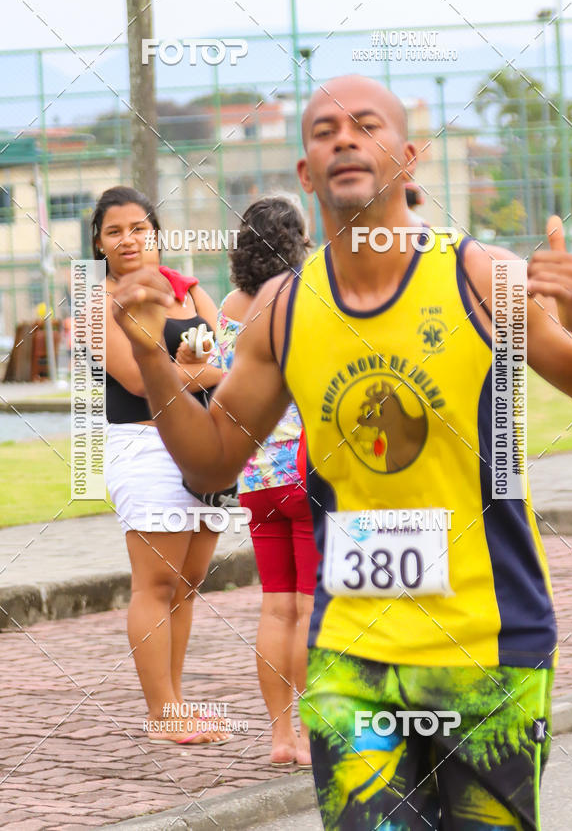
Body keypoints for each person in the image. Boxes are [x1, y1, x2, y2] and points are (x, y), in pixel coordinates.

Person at [109, 77, 572, 828]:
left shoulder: (484, 277)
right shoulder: (285, 308)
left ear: (407, 159)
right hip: (351, 657)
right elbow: (209, 466)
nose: (343, 137)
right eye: (324, 130)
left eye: (365, 126)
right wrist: (150, 357)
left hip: (488, 643)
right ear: (306, 173)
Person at [96, 185, 229, 745]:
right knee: (156, 581)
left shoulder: (191, 289)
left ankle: (175, 703)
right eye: (113, 231)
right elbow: (133, 379)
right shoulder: (94, 297)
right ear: (99, 244)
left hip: (204, 445)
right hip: (143, 448)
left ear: (156, 233)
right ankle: (162, 713)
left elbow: (228, 365)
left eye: (137, 228)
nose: (128, 239)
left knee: (188, 581)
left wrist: (173, 372)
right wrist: (186, 372)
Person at [213, 194, 320, 767]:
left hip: (254, 474)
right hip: (304, 468)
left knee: (274, 607)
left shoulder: (231, 304)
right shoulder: (306, 298)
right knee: (307, 609)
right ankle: (311, 734)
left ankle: (281, 738)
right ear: (295, 241)